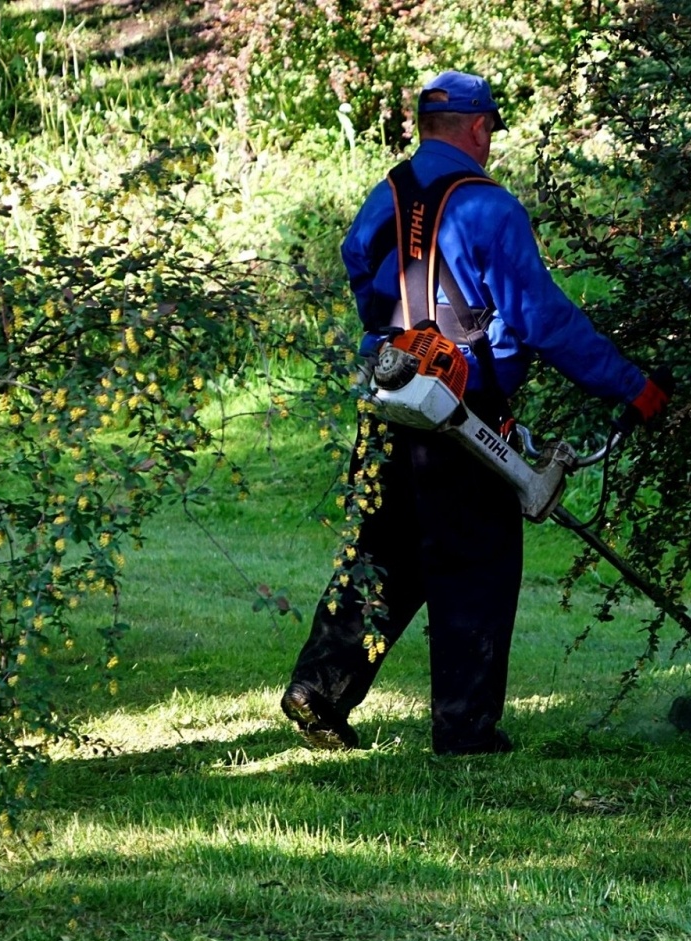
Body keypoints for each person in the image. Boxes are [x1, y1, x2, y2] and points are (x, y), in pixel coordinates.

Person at [279, 71, 669, 755]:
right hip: (463, 416)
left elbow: (358, 267)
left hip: (389, 402)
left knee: (382, 553)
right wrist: (631, 387)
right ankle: (464, 729)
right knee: (476, 565)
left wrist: (397, 337)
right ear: (480, 127)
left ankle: (319, 690)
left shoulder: (384, 196)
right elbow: (544, 319)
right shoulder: (490, 208)